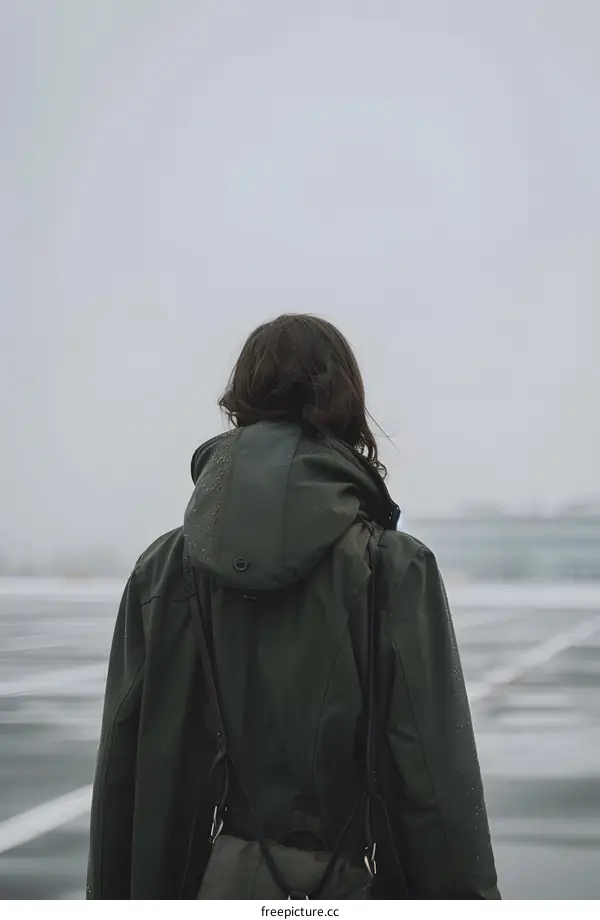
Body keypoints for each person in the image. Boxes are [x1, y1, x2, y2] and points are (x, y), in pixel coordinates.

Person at [86, 314, 500, 899]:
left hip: (206, 885)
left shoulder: (162, 569)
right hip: (341, 885)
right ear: (345, 400)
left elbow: (123, 776)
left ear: (242, 400)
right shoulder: (393, 567)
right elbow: (434, 783)